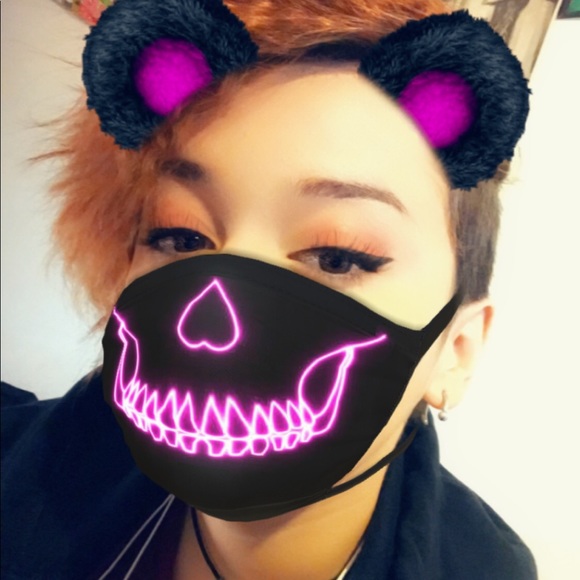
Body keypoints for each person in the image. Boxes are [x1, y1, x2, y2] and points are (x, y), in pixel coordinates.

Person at [1, 0, 537, 578]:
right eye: (180, 237)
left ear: (456, 350)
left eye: (336, 257)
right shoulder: (33, 473)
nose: (212, 320)